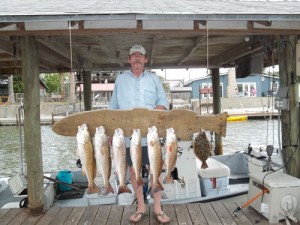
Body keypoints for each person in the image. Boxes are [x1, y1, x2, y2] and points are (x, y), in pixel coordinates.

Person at [109, 45, 171, 224]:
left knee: (156, 171)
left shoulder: (154, 79)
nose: (137, 58)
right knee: (133, 171)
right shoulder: (120, 80)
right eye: (133, 56)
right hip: (127, 137)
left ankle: (158, 208)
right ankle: (141, 207)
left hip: (151, 136)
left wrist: (158, 109)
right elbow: (113, 108)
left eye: (140, 56)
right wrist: (111, 130)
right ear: (129, 59)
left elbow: (163, 102)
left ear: (145, 59)